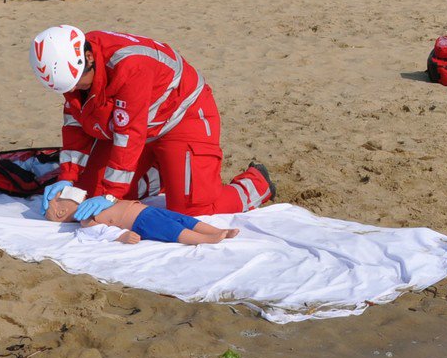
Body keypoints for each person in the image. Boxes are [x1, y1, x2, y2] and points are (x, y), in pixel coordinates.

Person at [30, 25, 275, 221]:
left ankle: (256, 183)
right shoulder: (76, 72)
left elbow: (129, 135)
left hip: (183, 117)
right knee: (88, 193)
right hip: (139, 125)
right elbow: (76, 123)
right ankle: (163, 172)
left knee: (193, 210)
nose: (75, 90)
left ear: (90, 57)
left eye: (78, 83)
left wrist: (112, 193)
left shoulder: (130, 66)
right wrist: (68, 176)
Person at [44, 186, 240, 246]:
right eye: (59, 196)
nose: (64, 190)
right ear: (61, 212)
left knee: (182, 219)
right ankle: (206, 239)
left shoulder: (92, 201)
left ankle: (218, 230)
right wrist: (121, 236)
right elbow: (100, 232)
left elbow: (112, 197)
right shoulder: (85, 218)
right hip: (141, 221)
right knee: (174, 230)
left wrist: (108, 197)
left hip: (145, 210)